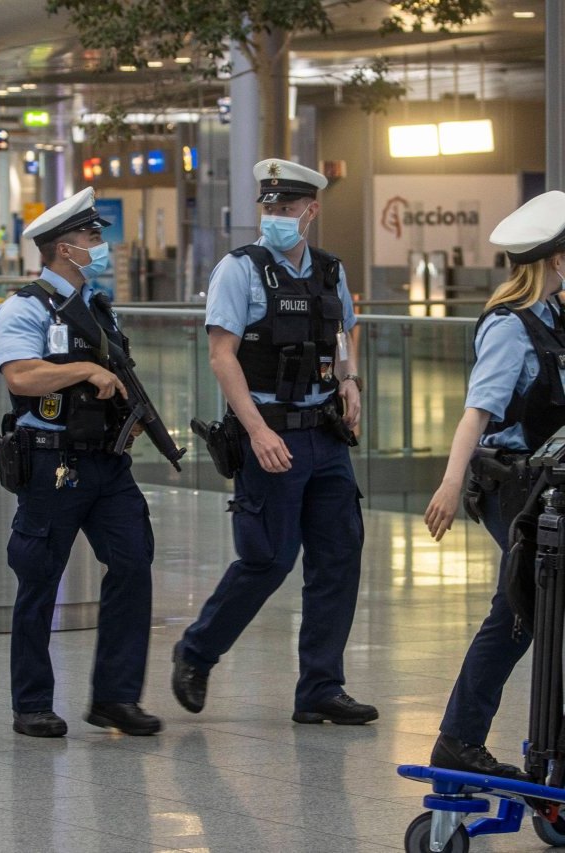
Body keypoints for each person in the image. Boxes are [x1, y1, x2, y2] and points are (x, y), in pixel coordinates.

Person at [170, 159, 378, 726]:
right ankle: (196, 651)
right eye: (270, 207)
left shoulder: (331, 271)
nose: (276, 218)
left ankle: (320, 689)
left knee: (338, 559)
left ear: (311, 211)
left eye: (287, 208)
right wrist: (257, 430)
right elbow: (221, 356)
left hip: (325, 436)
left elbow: (342, 333)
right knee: (267, 560)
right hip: (270, 436)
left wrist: (349, 379)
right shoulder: (239, 271)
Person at [0, 187, 161, 738]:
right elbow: (19, 375)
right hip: (53, 463)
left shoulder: (97, 307)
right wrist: (84, 372)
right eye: (92, 237)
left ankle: (115, 697)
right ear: (65, 248)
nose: (100, 245)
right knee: (39, 579)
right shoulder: (24, 306)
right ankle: (32, 703)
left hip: (107, 465)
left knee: (134, 564)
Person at [424, 190, 565, 778]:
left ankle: (483, 740)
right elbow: (476, 414)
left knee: (526, 612)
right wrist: (450, 484)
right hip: (514, 489)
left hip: (551, 486)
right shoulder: (509, 328)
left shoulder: (558, 317)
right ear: (555, 260)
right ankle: (460, 739)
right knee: (522, 609)